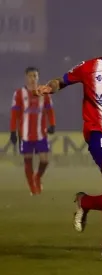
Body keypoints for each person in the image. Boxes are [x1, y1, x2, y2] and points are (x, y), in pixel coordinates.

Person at [34, 26, 102, 260]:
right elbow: (61, 81)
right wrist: (49, 88)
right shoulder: (89, 68)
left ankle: (84, 201)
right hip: (100, 134)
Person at [10, 67, 56, 195]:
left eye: (35, 76)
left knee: (45, 160)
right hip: (25, 134)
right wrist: (13, 132)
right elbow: (15, 114)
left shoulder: (44, 92)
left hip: (41, 133)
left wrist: (52, 124)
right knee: (28, 160)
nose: (32, 79)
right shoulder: (19, 94)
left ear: (38, 77)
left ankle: (37, 177)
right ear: (26, 78)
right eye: (30, 76)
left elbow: (49, 110)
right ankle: (32, 187)